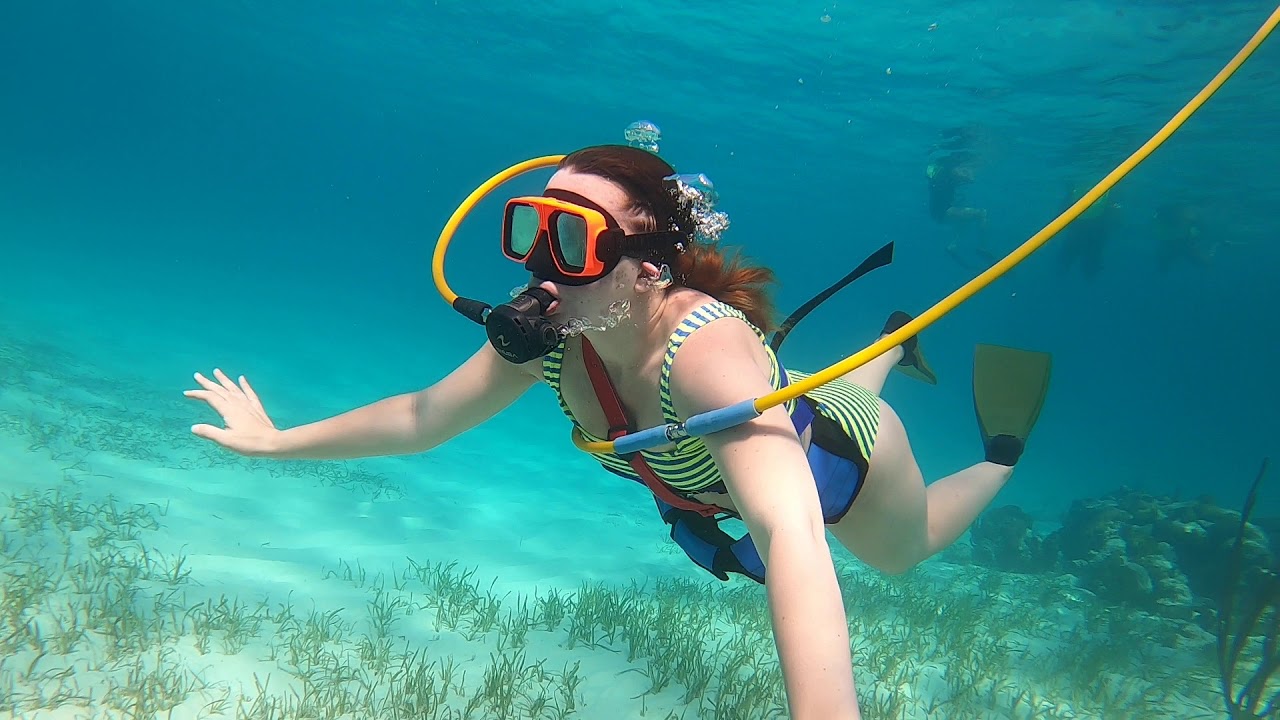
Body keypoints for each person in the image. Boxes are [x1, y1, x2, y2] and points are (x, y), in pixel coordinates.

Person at [185, 144, 1053, 719]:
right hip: (747, 443)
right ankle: (892, 344)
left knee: (905, 552)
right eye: (531, 229)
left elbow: (793, 535)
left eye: (570, 239)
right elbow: (421, 417)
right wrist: (276, 440)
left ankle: (998, 452)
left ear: (645, 270)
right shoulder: (560, 335)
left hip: (842, 459)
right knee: (805, 409)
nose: (537, 268)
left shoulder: (704, 353)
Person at [1056, 185, 1119, 281]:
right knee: (1070, 256)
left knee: (1074, 255)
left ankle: (1061, 276)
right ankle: (1060, 277)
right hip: (1086, 225)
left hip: (1092, 225)